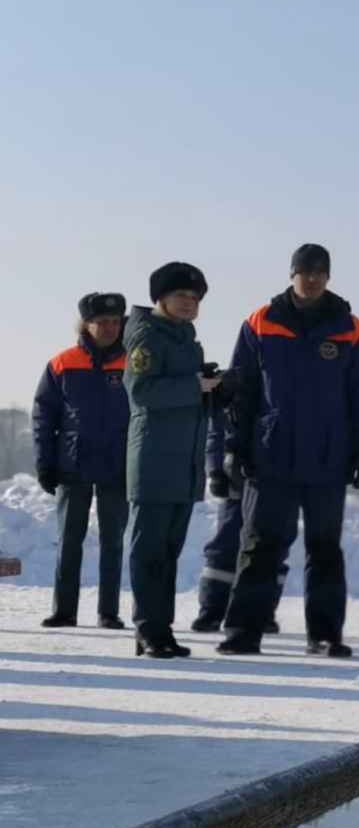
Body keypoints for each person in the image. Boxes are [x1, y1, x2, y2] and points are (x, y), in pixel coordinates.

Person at [218, 244, 359, 658]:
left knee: (324, 550)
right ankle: (242, 632)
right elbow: (242, 390)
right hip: (270, 455)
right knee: (259, 546)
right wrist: (234, 446)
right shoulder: (260, 323)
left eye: (320, 271)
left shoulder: (351, 329)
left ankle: (324, 635)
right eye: (305, 270)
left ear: (328, 276)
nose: (312, 278)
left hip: (329, 458)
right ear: (292, 273)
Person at [125, 263, 225, 659]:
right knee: (148, 551)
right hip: (154, 459)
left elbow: (185, 395)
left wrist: (212, 389)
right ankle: (148, 628)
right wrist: (193, 386)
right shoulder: (148, 338)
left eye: (195, 298)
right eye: (182, 296)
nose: (189, 303)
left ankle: (160, 629)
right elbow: (142, 391)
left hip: (182, 461)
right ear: (161, 298)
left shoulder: (186, 339)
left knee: (167, 551)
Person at [32, 292, 131, 630]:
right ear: (86, 324)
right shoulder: (62, 363)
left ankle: (108, 611)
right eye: (102, 322)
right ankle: (64, 611)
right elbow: (44, 417)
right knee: (69, 540)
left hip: (118, 468)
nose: (109, 328)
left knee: (112, 541)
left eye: (115, 322)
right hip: (72, 466)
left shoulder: (133, 363)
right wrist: (45, 463)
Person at [190, 410, 287, 634]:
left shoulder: (288, 379)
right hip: (236, 479)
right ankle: (211, 610)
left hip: (276, 478)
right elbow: (217, 430)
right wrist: (215, 470)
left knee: (272, 547)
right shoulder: (235, 379)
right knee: (225, 545)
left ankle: (264, 611)